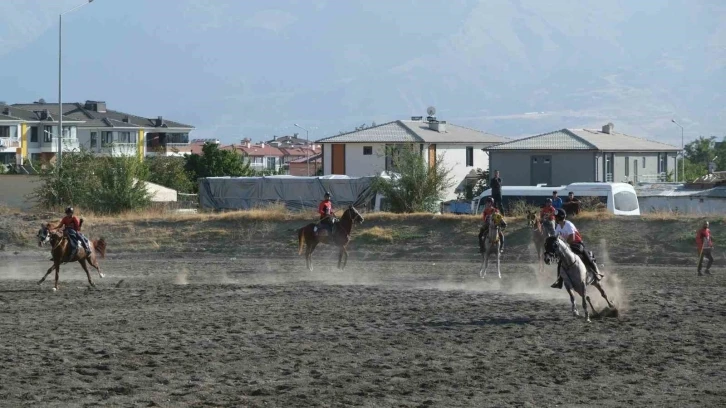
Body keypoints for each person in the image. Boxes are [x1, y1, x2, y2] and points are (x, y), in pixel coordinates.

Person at [551, 208, 603, 289]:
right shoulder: (558, 227)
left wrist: (564, 244)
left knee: (586, 257)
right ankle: (559, 281)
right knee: (561, 262)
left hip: (576, 244)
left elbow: (572, 238)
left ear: (560, 217)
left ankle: (596, 273)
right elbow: (556, 238)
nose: (555, 218)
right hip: (567, 247)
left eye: (556, 217)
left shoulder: (568, 224)